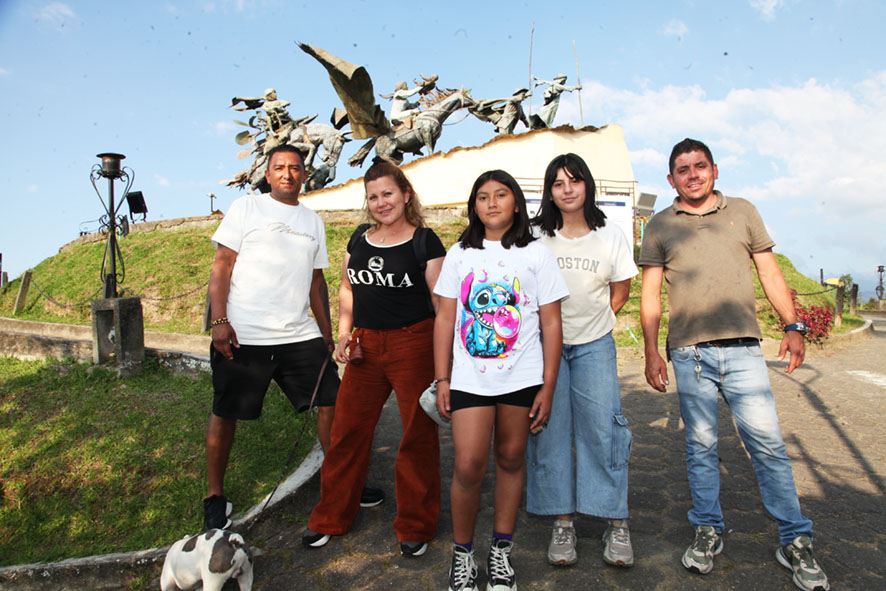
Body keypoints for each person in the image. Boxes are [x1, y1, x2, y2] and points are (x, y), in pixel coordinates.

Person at [638, 138, 829, 591]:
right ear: (671, 179)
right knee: (700, 448)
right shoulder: (661, 224)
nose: (693, 175)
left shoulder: (743, 211)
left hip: (745, 351)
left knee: (767, 446)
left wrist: (793, 324)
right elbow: (649, 294)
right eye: (682, 170)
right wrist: (650, 351)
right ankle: (708, 530)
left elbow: (769, 271)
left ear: (715, 170)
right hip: (690, 354)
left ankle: (794, 540)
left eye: (699, 166)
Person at [302, 160, 446, 556]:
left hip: (413, 344)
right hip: (365, 347)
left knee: (416, 436)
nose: (381, 202)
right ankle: (331, 515)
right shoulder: (359, 239)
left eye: (388, 193)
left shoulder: (426, 241)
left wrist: (446, 359)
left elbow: (441, 303)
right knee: (347, 431)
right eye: (373, 196)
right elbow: (347, 287)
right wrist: (345, 332)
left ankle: (416, 524)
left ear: (405, 194)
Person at [433, 170, 568, 591]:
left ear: (516, 203)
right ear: (474, 206)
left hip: (522, 377)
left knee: (511, 459)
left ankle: (501, 553)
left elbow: (551, 322)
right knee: (469, 465)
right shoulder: (459, 254)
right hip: (470, 380)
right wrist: (442, 378)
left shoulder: (536, 253)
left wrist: (548, 385)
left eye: (501, 195)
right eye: (483, 196)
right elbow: (445, 318)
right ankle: (463, 555)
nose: (492, 203)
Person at [203, 144, 339, 530]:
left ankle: (339, 479)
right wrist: (219, 322)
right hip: (245, 335)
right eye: (279, 167)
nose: (287, 174)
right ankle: (215, 496)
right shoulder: (246, 208)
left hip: (299, 334)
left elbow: (316, 282)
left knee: (333, 401)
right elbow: (222, 265)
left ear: (304, 174)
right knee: (225, 413)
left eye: (295, 168)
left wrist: (327, 334)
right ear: (267, 173)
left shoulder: (313, 221)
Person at [526, 153, 638, 568]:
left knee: (603, 430)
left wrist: (598, 319)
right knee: (548, 430)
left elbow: (621, 288)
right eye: (558, 183)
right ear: (549, 191)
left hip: (594, 345)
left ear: (587, 185)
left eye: (574, 181)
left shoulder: (610, 233)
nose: (567, 189)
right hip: (541, 348)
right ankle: (562, 521)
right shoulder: (536, 234)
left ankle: (616, 520)